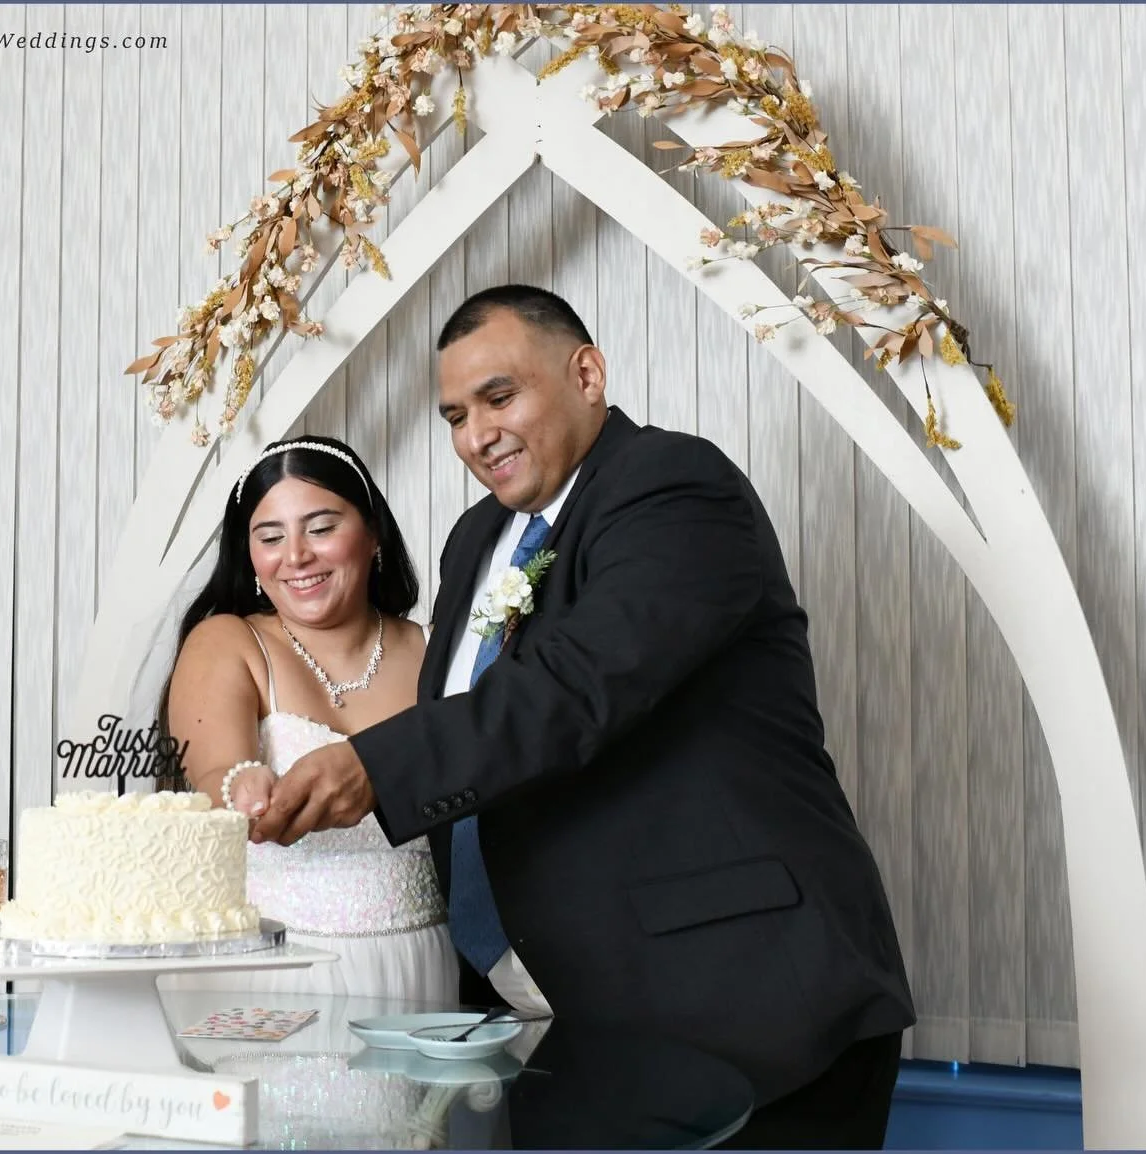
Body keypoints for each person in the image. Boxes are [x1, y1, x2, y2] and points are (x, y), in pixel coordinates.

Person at [237, 286, 917, 1147]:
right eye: (454, 415)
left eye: (499, 397)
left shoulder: (675, 487)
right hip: (566, 1017)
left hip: (752, 1003)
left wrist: (376, 765)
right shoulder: (475, 540)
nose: (476, 435)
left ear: (586, 374)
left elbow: (576, 685)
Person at [161, 434, 458, 1003]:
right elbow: (217, 770)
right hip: (268, 971)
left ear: (372, 534)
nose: (295, 556)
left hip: (420, 966)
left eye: (321, 529)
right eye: (270, 537)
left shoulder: (436, 650)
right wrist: (239, 786)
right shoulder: (228, 641)